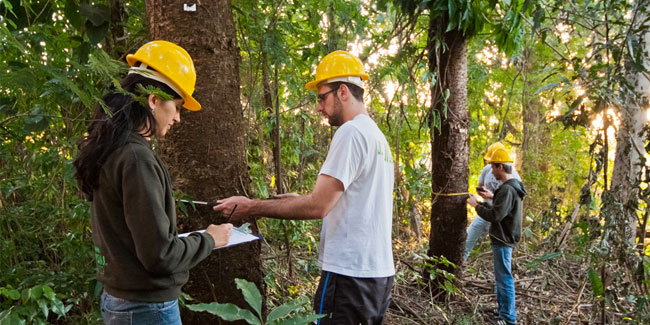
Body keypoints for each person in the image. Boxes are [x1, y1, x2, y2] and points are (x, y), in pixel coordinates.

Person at [214, 50, 395, 325]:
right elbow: (353, 199)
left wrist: (251, 207)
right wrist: (301, 197)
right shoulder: (375, 136)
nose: (319, 107)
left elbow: (318, 206)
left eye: (322, 97)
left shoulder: (350, 133)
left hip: (349, 276)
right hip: (377, 277)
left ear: (343, 91)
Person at [73, 40, 233, 325]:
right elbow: (159, 256)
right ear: (154, 100)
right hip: (146, 308)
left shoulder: (112, 147)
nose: (178, 118)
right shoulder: (136, 158)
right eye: (177, 106)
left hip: (122, 301)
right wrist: (210, 239)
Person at [467, 148, 527, 325]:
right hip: (505, 237)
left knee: (504, 278)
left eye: (493, 167)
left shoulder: (507, 189)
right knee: (501, 277)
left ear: (500, 166)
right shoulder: (511, 186)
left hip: (503, 239)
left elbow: (495, 215)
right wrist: (491, 197)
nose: (491, 171)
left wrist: (475, 205)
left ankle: (508, 319)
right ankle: (503, 312)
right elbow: (502, 208)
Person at [464, 142, 521, 262]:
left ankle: (501, 277)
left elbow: (510, 202)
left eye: (493, 164)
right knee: (467, 240)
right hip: (486, 211)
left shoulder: (512, 180)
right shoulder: (488, 170)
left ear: (500, 165)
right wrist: (484, 195)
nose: (491, 168)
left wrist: (490, 198)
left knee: (501, 253)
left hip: (499, 218)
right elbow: (480, 185)